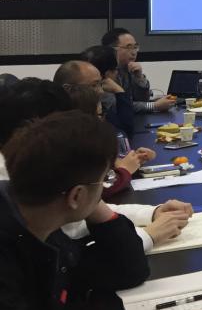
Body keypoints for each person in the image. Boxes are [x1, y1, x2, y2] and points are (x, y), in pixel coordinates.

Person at [0, 110, 202, 310]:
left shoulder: (42, 217)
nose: (106, 187)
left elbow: (128, 271)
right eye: (105, 179)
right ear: (76, 195)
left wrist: (93, 204)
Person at [0, 78, 191, 252]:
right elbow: (74, 254)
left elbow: (89, 210)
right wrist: (148, 235)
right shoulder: (15, 180)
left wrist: (151, 213)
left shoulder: (35, 161)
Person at [52, 61, 156, 200]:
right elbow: (93, 190)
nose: (101, 91)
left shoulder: (88, 120)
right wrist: (124, 171)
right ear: (68, 89)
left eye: (101, 84)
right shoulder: (64, 137)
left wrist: (128, 161)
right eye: (94, 85)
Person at [102, 28, 175, 113]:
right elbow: (114, 106)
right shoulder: (102, 72)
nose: (134, 52)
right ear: (112, 50)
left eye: (135, 47)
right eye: (129, 47)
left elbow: (143, 99)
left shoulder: (129, 68)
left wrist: (139, 77)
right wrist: (154, 106)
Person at [81, 44, 135, 135]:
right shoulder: (101, 96)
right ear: (107, 73)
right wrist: (120, 92)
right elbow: (126, 130)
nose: (117, 72)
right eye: (116, 69)